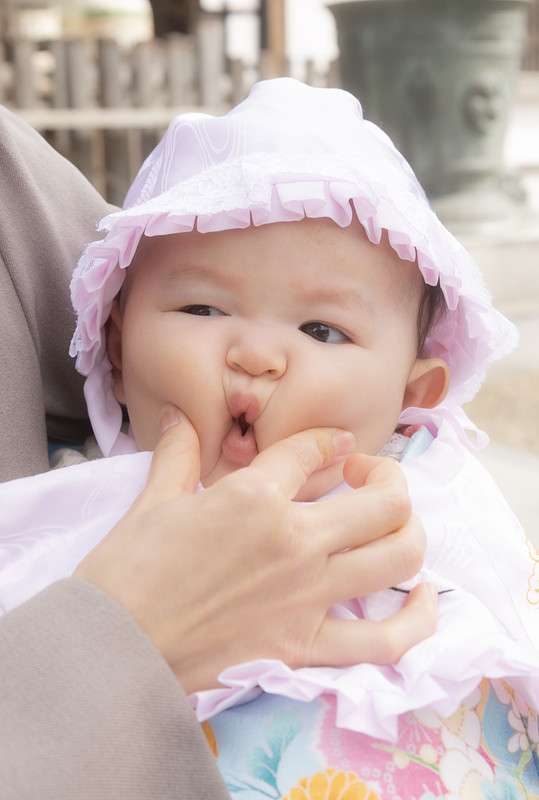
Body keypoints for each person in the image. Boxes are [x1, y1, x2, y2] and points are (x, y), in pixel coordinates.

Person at [2, 79, 539, 796]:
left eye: (321, 329)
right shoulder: (79, 498)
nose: (255, 354)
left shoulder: (437, 492)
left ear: (411, 397)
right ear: (119, 350)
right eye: (200, 306)